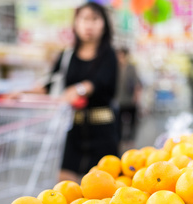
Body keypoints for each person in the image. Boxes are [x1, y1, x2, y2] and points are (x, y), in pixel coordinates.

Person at [11, 2, 118, 182]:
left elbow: (98, 82)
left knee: (101, 187)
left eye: (94, 19)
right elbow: (48, 84)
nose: (88, 25)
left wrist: (78, 89)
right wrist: (21, 93)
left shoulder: (109, 55)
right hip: (73, 129)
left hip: (103, 130)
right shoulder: (67, 55)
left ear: (104, 24)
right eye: (84, 19)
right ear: (75, 23)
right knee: (65, 184)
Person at [116, 47, 142, 141]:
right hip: (118, 99)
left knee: (131, 120)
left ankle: (130, 139)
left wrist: (136, 97)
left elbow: (136, 83)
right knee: (118, 121)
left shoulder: (131, 68)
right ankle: (119, 139)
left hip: (129, 98)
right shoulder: (115, 68)